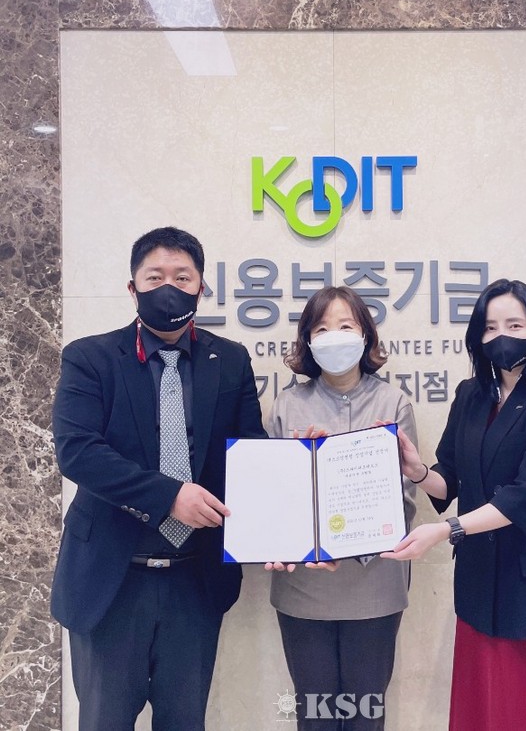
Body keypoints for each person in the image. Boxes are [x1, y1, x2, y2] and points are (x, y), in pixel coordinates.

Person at [50, 226, 265, 731]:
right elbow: (78, 451)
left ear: (201, 287)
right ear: (133, 288)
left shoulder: (230, 359)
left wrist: (299, 461)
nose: (169, 287)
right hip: (111, 580)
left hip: (195, 580)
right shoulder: (90, 358)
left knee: (185, 722)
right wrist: (169, 497)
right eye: (155, 277)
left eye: (182, 277)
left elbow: (249, 455)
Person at [382, 278, 526, 731]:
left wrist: (447, 530)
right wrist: (417, 471)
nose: (502, 336)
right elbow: (450, 478)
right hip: (480, 585)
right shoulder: (471, 395)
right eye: (490, 327)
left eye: (515, 325)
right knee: (483, 715)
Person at [266, 285, 418, 730]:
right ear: (307, 341)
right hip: (304, 593)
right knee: (315, 715)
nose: (334, 336)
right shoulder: (287, 405)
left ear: (366, 336)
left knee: (365, 715)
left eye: (346, 326)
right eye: (321, 328)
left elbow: (405, 498)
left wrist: (352, 543)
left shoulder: (393, 403)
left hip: (375, 591)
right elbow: (274, 495)